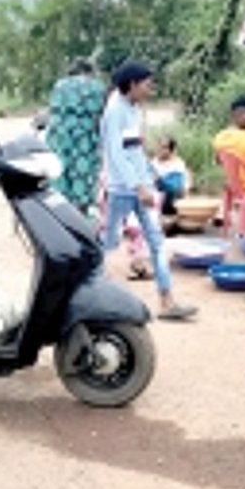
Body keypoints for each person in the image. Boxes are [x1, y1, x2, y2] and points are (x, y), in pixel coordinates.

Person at [100, 61, 197, 321]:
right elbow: (116, 155)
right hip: (122, 189)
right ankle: (93, 296)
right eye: (147, 84)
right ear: (132, 85)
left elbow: (134, 149)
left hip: (140, 187)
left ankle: (167, 301)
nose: (151, 89)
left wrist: (148, 177)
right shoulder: (114, 112)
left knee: (156, 242)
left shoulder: (133, 108)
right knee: (108, 243)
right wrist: (137, 185)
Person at [47, 57, 106, 214]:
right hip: (83, 138)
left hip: (58, 137)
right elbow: (100, 115)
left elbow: (52, 111)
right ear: (91, 71)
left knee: (59, 174)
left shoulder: (59, 85)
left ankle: (58, 216)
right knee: (82, 177)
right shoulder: (96, 87)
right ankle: (80, 216)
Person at [152, 136, 192, 217]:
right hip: (155, 198)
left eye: (164, 147)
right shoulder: (153, 163)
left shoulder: (177, 164)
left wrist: (160, 180)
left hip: (171, 200)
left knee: (171, 191)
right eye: (159, 146)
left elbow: (176, 188)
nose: (160, 149)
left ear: (171, 150)